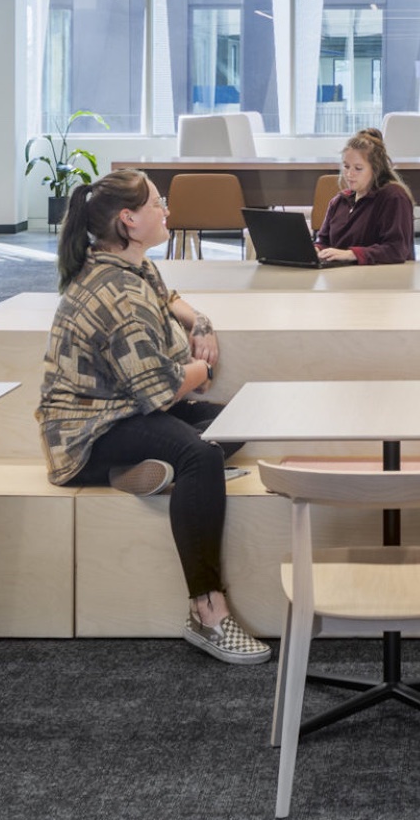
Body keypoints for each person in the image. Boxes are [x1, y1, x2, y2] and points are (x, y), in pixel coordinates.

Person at [36, 170, 269, 665]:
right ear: (129, 220)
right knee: (201, 457)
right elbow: (160, 389)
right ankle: (207, 613)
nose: (168, 211)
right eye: (158, 205)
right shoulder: (118, 293)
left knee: (235, 421)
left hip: (121, 410)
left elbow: (167, 298)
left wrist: (199, 322)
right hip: (88, 433)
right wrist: (200, 366)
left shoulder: (129, 266)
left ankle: (145, 474)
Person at [315, 128, 416, 264]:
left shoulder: (394, 197)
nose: (350, 174)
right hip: (342, 278)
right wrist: (316, 249)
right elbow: (324, 241)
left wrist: (351, 254)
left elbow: (396, 250)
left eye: (358, 168)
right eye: (346, 166)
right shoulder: (339, 201)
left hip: (382, 279)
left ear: (375, 169)